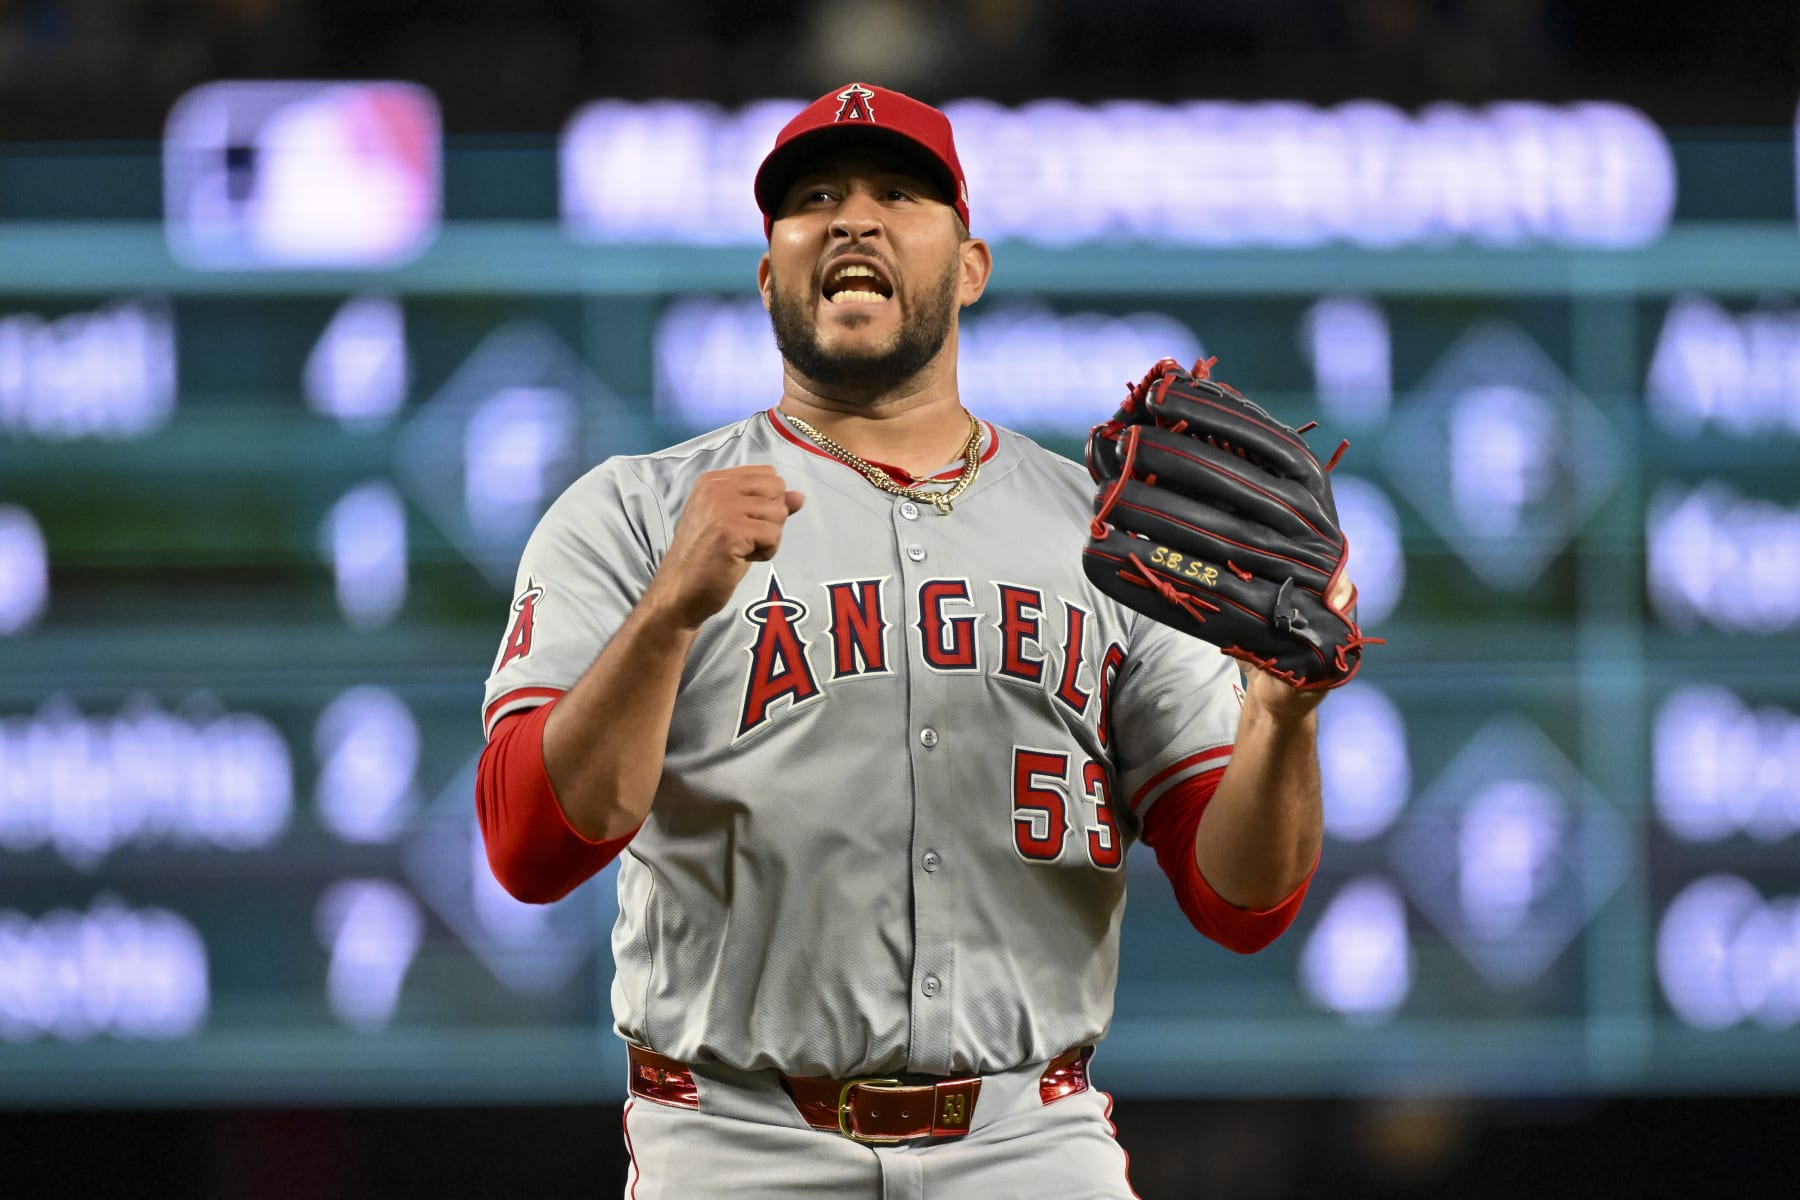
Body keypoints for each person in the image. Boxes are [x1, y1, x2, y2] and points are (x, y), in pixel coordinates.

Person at [477, 82, 1339, 1199]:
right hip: (738, 1142)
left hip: (1029, 1137)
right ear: (768, 271)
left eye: (899, 193)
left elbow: (1244, 903)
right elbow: (530, 849)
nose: (852, 218)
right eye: (816, 198)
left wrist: (1281, 716)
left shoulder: (1105, 533)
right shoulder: (636, 514)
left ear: (970, 267)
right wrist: (666, 617)